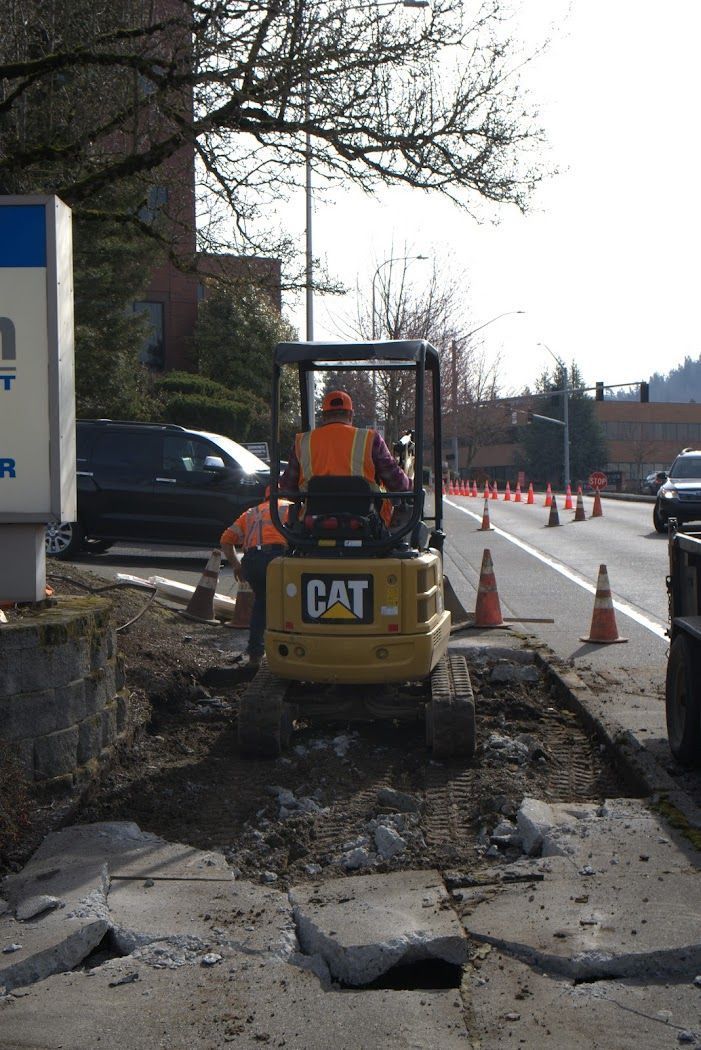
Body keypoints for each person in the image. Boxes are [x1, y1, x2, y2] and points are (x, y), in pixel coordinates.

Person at [279, 390, 412, 517]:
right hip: (366, 524)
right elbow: (397, 482)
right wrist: (411, 484)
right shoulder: (370, 439)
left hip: (313, 526)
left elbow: (288, 489)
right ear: (350, 414)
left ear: (324, 416)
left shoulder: (302, 441)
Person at [220, 488, 292, 668]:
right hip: (276, 558)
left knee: (262, 603)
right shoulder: (291, 508)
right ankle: (288, 652)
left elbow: (226, 540)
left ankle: (255, 655)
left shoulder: (252, 512)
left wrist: (237, 566)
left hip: (252, 561)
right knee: (291, 603)